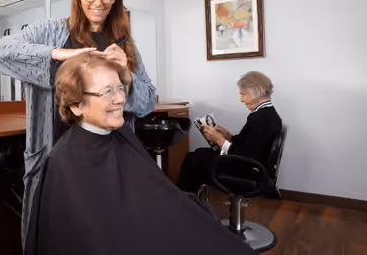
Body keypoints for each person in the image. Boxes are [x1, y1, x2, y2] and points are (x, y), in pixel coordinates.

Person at [0, 0, 156, 245]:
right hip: (56, 158)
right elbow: (0, 52)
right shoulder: (49, 31)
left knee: (105, 238)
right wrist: (58, 54)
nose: (98, 2)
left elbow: (148, 102)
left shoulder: (124, 43)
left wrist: (127, 75)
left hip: (110, 161)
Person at [24, 54, 256, 255]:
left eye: (119, 89)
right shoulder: (63, 163)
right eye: (106, 92)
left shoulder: (121, 132)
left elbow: (153, 190)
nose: (119, 99)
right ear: (77, 105)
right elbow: (88, 241)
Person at [177, 71, 282, 193]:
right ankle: (189, 200)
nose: (242, 100)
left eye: (244, 94)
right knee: (198, 153)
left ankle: (183, 200)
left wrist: (220, 140)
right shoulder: (267, 114)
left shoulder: (261, 118)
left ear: (257, 91)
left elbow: (246, 155)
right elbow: (250, 144)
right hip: (251, 165)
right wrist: (229, 136)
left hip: (248, 170)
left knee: (193, 159)